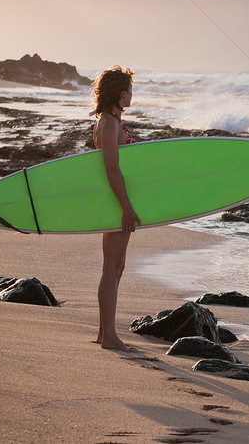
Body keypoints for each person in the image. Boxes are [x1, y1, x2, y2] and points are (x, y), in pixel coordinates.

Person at [90, 66, 140, 350]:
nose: (132, 95)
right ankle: (108, 336)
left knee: (117, 266)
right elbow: (111, 168)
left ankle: (103, 331)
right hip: (115, 202)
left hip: (118, 200)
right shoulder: (108, 124)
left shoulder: (112, 121)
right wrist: (126, 207)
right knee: (111, 267)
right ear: (121, 94)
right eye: (130, 90)